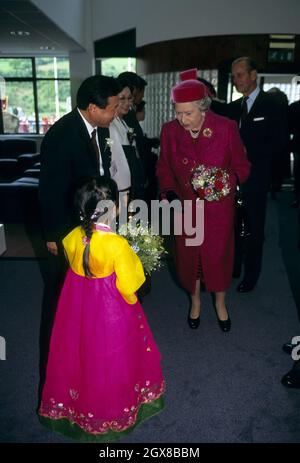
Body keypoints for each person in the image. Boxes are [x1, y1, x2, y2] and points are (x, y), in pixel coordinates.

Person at [38, 176, 165, 441]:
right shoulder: (116, 244)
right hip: (111, 311)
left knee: (80, 351)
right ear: (114, 208)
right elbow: (131, 285)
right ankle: (113, 411)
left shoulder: (71, 237)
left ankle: (79, 407)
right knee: (113, 356)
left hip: (78, 307)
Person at [38, 75, 120, 398]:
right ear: (92, 107)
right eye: (112, 108)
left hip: (88, 224)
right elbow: (50, 191)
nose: (116, 113)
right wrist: (54, 237)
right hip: (65, 232)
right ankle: (61, 367)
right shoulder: (62, 135)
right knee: (60, 296)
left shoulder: (96, 128)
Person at [156, 68, 250, 331]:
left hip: (218, 209)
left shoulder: (226, 128)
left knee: (218, 259)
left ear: (203, 108)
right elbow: (163, 168)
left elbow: (243, 167)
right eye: (178, 112)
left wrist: (223, 183)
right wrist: (169, 192)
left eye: (188, 113)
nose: (182, 119)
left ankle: (221, 303)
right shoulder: (170, 131)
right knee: (189, 260)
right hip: (186, 209)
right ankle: (195, 302)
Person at [227, 57, 286, 292]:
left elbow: (280, 143)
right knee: (235, 224)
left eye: (240, 75)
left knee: (253, 228)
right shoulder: (238, 105)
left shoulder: (272, 104)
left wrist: (247, 150)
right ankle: (234, 267)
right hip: (235, 178)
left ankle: (251, 276)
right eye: (233, 76)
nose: (236, 80)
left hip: (257, 179)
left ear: (253, 75)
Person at [109, 77, 145, 202]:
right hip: (122, 188)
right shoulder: (110, 124)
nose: (127, 103)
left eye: (129, 98)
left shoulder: (124, 121)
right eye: (122, 98)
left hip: (134, 183)